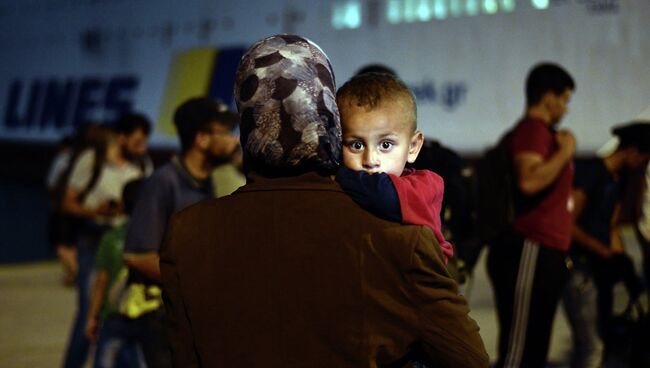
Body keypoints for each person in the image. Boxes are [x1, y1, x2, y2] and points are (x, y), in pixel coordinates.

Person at [160, 34, 488, 368]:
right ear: (328, 119)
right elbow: (469, 359)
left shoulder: (187, 233)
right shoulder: (400, 236)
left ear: (246, 123)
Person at [121, 97, 239, 367]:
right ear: (202, 139)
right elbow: (137, 256)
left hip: (197, 316)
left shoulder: (212, 182)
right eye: (226, 132)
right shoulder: (163, 183)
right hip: (162, 319)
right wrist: (197, 284)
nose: (234, 140)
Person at [487, 62, 576, 368]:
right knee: (520, 350)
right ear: (548, 96)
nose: (565, 109)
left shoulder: (541, 134)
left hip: (543, 250)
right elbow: (529, 180)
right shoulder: (533, 131)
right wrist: (566, 152)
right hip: (530, 246)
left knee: (533, 350)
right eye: (564, 99)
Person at [61, 116, 152, 368]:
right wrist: (97, 212)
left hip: (130, 241)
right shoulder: (93, 160)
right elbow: (67, 202)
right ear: (120, 137)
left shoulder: (142, 164)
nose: (141, 147)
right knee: (89, 311)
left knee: (123, 311)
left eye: (144, 142)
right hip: (95, 239)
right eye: (136, 141)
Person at [334, 72, 453, 263]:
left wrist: (337, 174)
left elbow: (381, 193)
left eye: (386, 145)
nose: (370, 160)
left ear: (413, 147)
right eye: (357, 145)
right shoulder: (358, 187)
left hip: (420, 282)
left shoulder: (426, 185)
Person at [563, 121, 650, 368]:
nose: (643, 167)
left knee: (601, 342)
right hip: (578, 270)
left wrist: (623, 263)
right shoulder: (591, 172)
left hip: (597, 272)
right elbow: (568, 224)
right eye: (644, 159)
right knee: (591, 347)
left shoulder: (618, 179)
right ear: (632, 151)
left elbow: (611, 226)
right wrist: (605, 253)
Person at [85, 179, 145, 368]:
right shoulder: (157, 237)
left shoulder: (111, 238)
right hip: (145, 315)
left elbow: (101, 281)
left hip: (114, 314)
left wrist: (92, 316)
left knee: (106, 360)